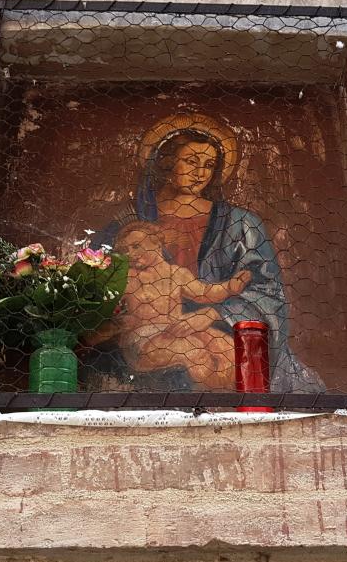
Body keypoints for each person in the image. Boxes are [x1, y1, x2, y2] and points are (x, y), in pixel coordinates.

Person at [96, 113, 324, 393]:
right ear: (165, 163)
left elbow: (268, 293)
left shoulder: (240, 224)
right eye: (191, 161)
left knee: (222, 359)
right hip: (145, 340)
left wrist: (214, 313)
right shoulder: (127, 224)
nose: (200, 173)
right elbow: (96, 287)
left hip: (214, 332)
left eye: (209, 165)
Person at [114, 221, 251, 387]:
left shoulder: (178, 274)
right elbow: (110, 307)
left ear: (156, 243)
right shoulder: (127, 277)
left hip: (174, 329)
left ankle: (225, 392)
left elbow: (204, 292)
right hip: (141, 339)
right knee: (194, 350)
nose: (130, 254)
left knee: (227, 347)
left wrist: (229, 287)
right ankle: (211, 395)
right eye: (125, 250)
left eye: (136, 246)